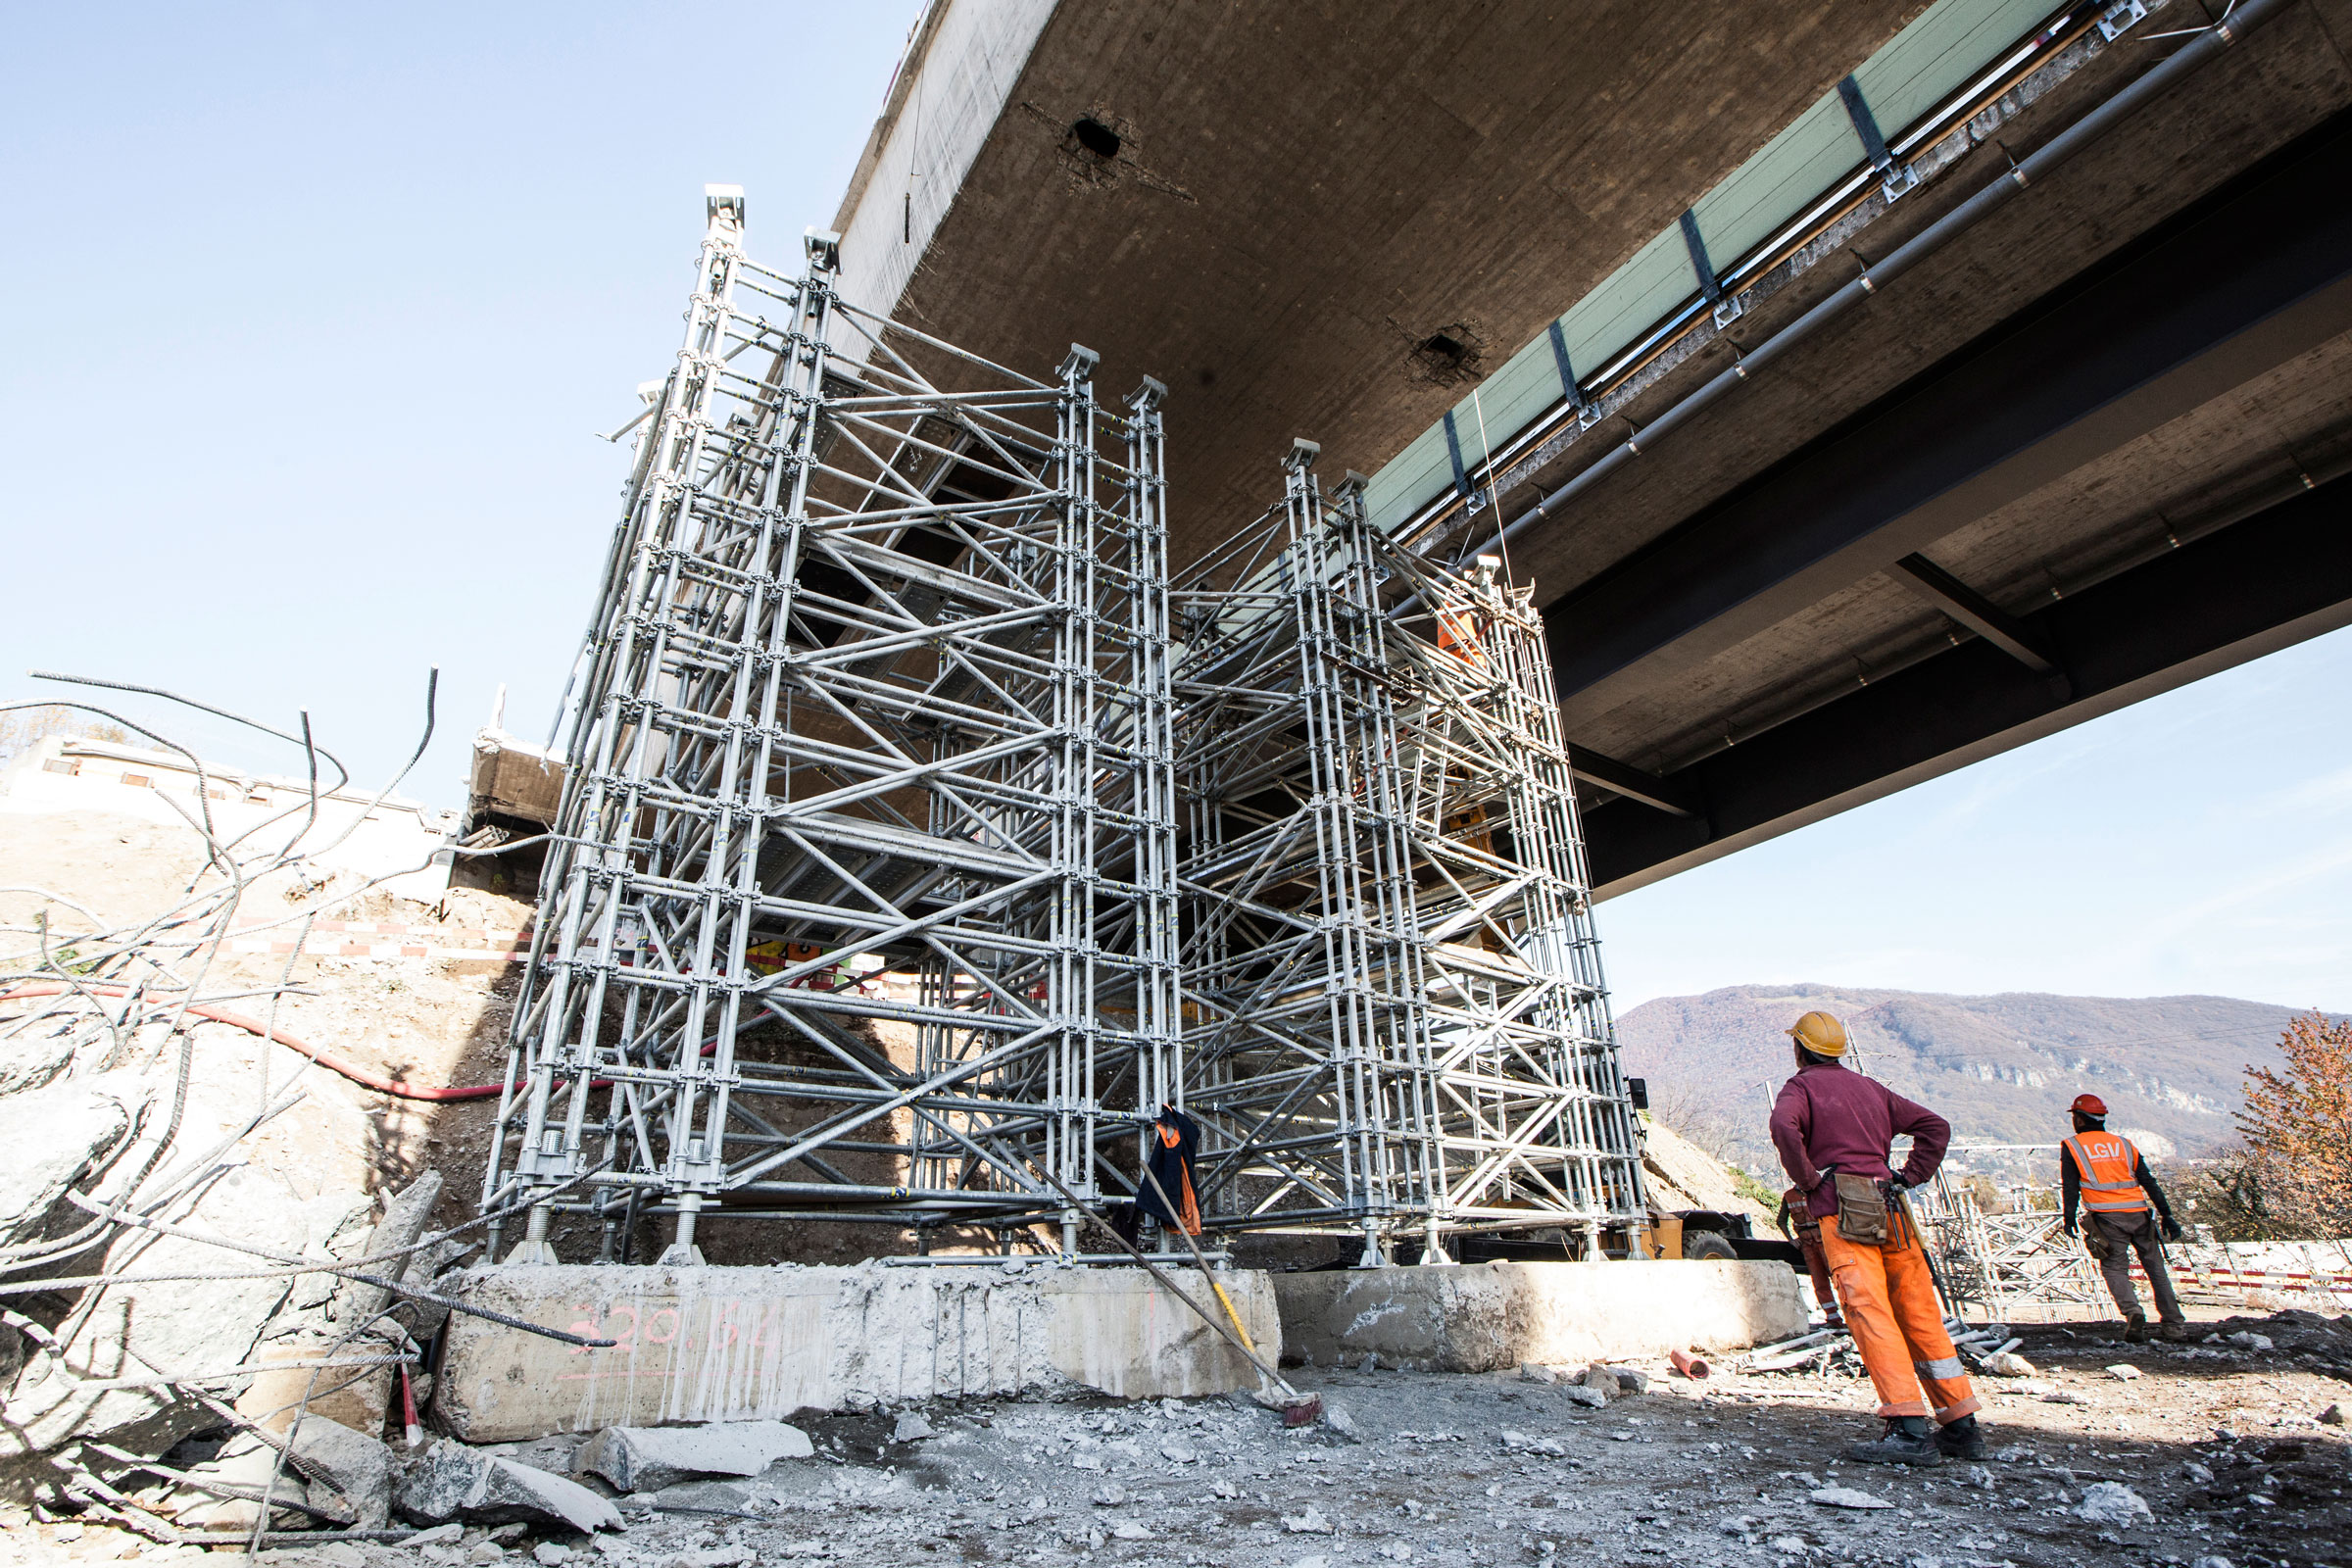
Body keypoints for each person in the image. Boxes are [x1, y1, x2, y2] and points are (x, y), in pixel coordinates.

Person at [1768, 1010, 1984, 1466]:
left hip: (1844, 1211)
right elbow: (1935, 1127)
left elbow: (1784, 1127)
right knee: (1920, 1311)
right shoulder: (1871, 1088)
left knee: (1870, 1311)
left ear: (1799, 1049)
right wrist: (1909, 1177)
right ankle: (1961, 1424)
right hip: (1893, 1208)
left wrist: (1809, 1181)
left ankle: (1907, 1427)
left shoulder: (1801, 1088)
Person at [2060, 1093, 2189, 1343]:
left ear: (2078, 1119)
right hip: (2140, 1216)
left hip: (2108, 1219)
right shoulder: (2124, 1144)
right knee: (2155, 1269)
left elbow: (2070, 1186)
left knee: (2114, 1267)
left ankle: (2132, 1312)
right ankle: (2174, 1325)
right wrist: (2167, 1215)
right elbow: (2148, 1181)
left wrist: (2069, 1218)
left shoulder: (2073, 1146)